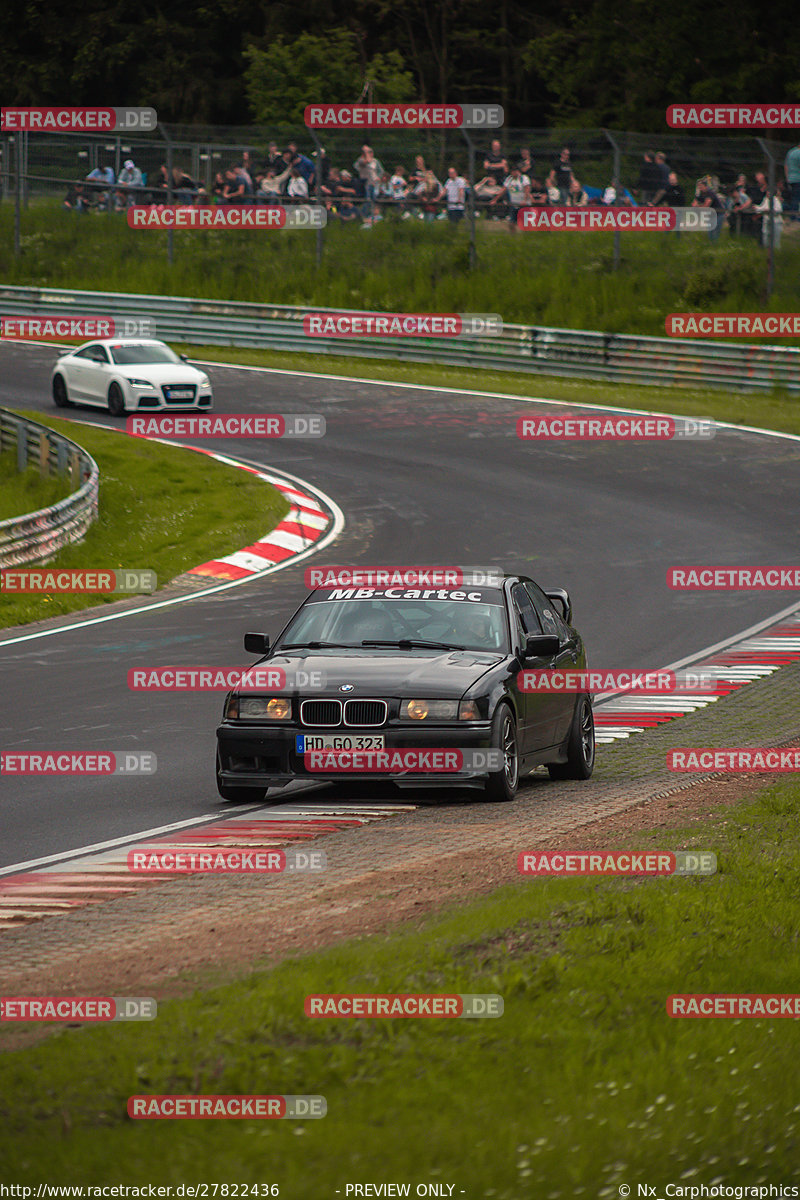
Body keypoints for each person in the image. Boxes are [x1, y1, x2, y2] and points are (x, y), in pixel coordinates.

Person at [353, 144, 384, 223]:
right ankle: (363, 215)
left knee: (374, 199)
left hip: (374, 183)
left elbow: (381, 171)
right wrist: (366, 153)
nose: (370, 153)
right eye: (368, 152)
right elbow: (365, 162)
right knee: (368, 199)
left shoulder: (375, 161)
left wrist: (378, 177)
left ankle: (373, 215)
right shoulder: (361, 160)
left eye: (370, 151)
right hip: (366, 183)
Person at [754, 183, 784, 248]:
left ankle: (775, 251)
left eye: (769, 192)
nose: (767, 193)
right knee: (766, 235)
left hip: (775, 221)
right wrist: (756, 207)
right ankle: (766, 249)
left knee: (775, 237)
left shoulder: (775, 200)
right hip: (767, 220)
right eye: (767, 192)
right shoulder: (766, 199)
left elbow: (779, 210)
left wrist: (770, 210)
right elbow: (761, 207)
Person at [785, 141, 800, 220]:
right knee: (797, 198)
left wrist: (787, 177)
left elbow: (786, 166)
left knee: (794, 198)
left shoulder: (791, 152)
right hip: (798, 179)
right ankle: (795, 217)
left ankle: (792, 216)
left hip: (791, 179)